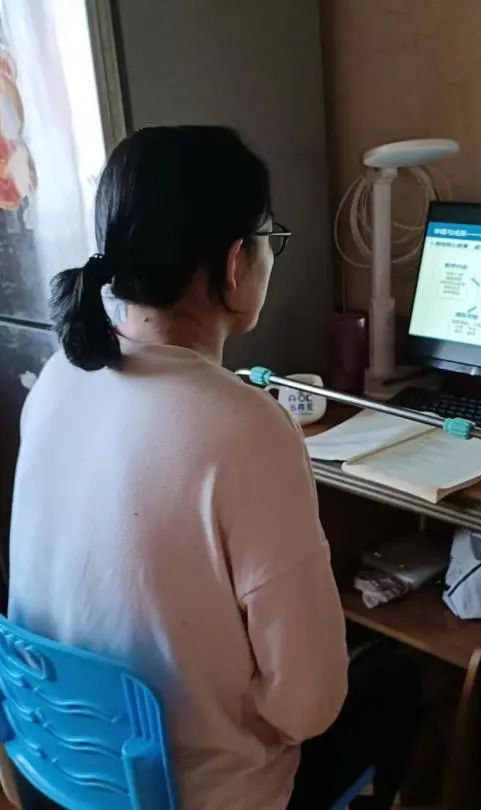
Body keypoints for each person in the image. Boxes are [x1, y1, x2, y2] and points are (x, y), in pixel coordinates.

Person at [8, 126, 417, 810]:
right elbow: (309, 706)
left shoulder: (58, 378)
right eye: (270, 238)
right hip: (191, 797)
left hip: (50, 768)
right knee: (394, 681)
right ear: (235, 263)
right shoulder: (247, 427)